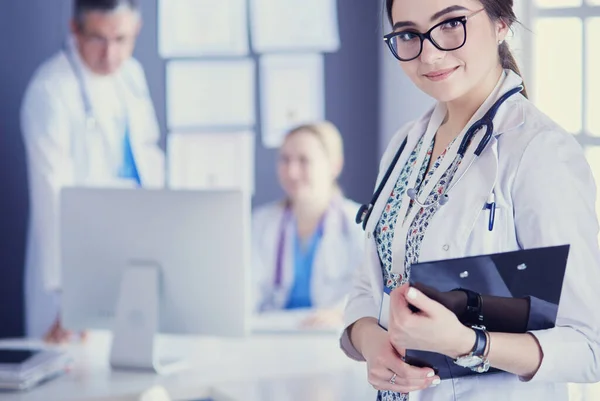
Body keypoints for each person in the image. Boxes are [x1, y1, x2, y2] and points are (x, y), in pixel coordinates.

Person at [341, 0, 600, 400]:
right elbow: (368, 285)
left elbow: (589, 347)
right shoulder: (403, 146)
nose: (429, 53)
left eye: (451, 23)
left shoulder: (539, 152)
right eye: (409, 34)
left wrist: (469, 342)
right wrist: (371, 343)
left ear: (501, 22)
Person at [21, 0, 164, 343]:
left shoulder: (132, 76)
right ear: (75, 29)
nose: (110, 55)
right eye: (98, 39)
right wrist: (70, 298)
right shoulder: (51, 91)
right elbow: (52, 200)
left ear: (137, 30)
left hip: (132, 257)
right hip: (76, 269)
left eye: (122, 39)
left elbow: (149, 157)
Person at [252, 122, 364, 328]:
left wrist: (341, 313)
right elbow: (246, 291)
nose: (292, 172)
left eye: (304, 160)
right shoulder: (260, 224)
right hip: (272, 334)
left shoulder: (359, 224)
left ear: (334, 165)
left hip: (331, 336)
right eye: (285, 160)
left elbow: (372, 291)